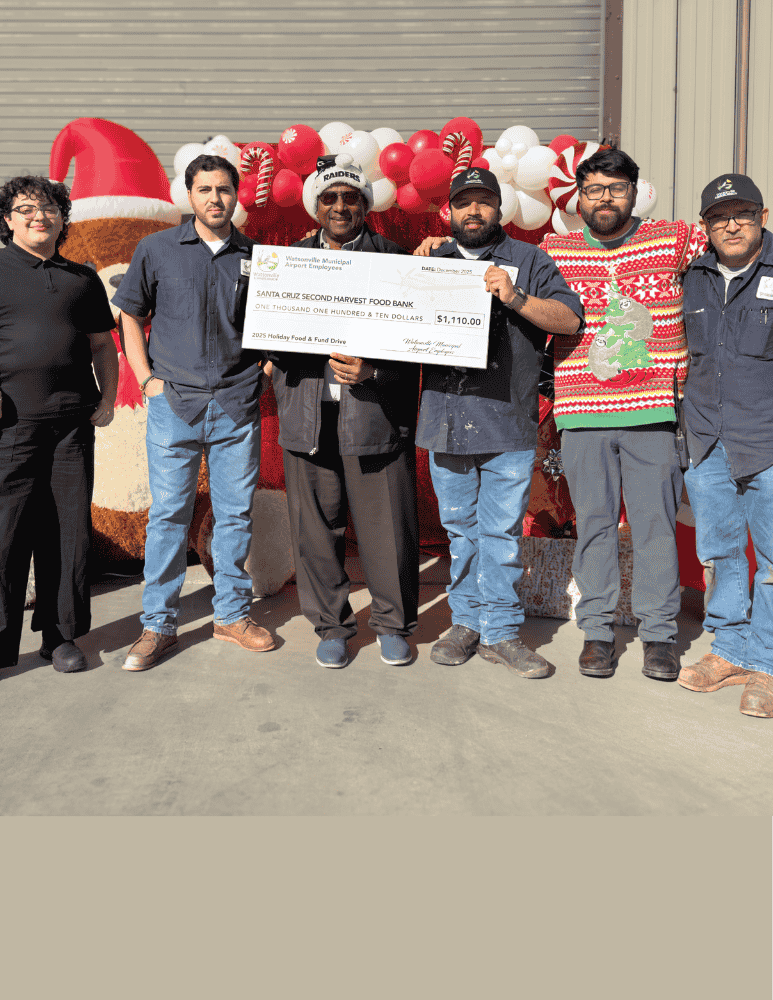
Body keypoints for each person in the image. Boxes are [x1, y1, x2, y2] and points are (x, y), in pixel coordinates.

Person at [540, 147, 707, 681]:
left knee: (654, 527)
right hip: (581, 414)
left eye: (616, 188)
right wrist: (437, 245)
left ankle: (659, 634)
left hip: (653, 412)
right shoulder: (554, 251)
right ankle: (597, 632)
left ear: (634, 193)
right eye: (594, 189)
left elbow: (740, 243)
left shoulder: (671, 239)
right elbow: (496, 266)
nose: (605, 198)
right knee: (593, 526)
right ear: (579, 197)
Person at [415, 167, 583, 676]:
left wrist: (514, 297)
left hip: (507, 423)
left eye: (484, 201)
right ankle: (466, 623)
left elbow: (570, 319)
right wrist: (413, 267)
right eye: (464, 202)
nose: (474, 211)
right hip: (446, 420)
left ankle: (503, 632)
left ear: (499, 208)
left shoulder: (529, 260)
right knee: (461, 533)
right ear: (450, 211)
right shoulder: (430, 261)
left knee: (501, 534)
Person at [114, 154, 275, 671]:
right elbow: (130, 314)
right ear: (189, 196)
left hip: (235, 405)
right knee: (167, 516)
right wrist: (146, 379)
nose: (214, 198)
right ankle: (157, 625)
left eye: (224, 189)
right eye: (204, 189)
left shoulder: (257, 256)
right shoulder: (156, 249)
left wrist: (264, 370)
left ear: (236, 195)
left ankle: (230, 615)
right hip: (173, 406)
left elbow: (277, 321)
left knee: (234, 515)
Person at [268, 153, 420, 668]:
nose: (339, 206)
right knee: (315, 530)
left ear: (364, 206)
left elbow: (422, 347)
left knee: (388, 530)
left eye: (350, 197)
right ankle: (332, 626)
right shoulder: (285, 264)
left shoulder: (397, 262)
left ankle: (393, 625)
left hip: (375, 414)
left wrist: (374, 371)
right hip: (308, 415)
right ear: (315, 206)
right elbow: (261, 335)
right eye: (329, 197)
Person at [0, 176, 118, 672]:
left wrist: (108, 398)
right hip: (12, 426)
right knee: (7, 531)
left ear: (63, 218)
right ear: (7, 219)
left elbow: (101, 346)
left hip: (72, 427)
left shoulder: (81, 278)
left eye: (49, 208)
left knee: (68, 533)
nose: (39, 216)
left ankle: (62, 635)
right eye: (26, 208)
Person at [677, 174, 773, 717]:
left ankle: (768, 663)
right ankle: (730, 650)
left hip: (767, 439)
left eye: (741, 213)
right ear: (705, 227)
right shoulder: (692, 278)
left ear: (762, 215)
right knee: (721, 554)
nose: (730, 224)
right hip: (708, 440)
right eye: (718, 217)